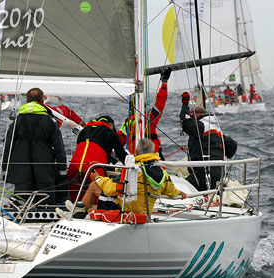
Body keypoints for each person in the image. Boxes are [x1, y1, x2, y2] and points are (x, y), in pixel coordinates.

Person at [57, 139, 186, 217]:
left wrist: (97, 178)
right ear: (153, 152)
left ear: (137, 152)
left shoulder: (133, 170)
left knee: (94, 187)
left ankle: (75, 212)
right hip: (144, 212)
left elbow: (111, 190)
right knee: (92, 207)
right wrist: (180, 193)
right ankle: (77, 211)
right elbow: (170, 190)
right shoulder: (162, 173)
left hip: (125, 209)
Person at [2, 87, 67, 204]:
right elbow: (59, 148)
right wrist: (62, 171)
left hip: (21, 169)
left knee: (21, 201)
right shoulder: (50, 121)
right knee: (47, 201)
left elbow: (8, 146)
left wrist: (5, 169)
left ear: (26, 101)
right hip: (44, 169)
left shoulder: (16, 121)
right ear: (42, 100)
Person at [180, 100, 237, 191]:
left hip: (203, 175)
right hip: (218, 174)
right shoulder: (216, 128)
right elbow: (232, 147)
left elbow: (187, 124)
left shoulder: (202, 125)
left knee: (181, 190)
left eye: (192, 115)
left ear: (196, 114)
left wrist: (185, 105)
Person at [67, 115, 127, 201]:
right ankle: (94, 211)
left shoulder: (84, 131)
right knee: (99, 198)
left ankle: (75, 210)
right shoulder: (110, 133)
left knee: (76, 199)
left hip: (74, 167)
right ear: (110, 125)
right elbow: (122, 156)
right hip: (93, 168)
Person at [118, 67, 172, 157]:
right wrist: (164, 82)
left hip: (133, 161)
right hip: (149, 159)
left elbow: (119, 141)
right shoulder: (146, 119)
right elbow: (160, 104)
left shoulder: (128, 122)